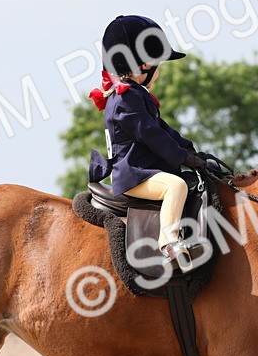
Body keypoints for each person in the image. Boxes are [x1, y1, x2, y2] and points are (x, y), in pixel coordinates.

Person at [87, 14, 219, 265]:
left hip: (142, 169)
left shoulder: (134, 95)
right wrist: (182, 158)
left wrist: (189, 150)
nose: (159, 71)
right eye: (158, 64)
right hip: (134, 173)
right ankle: (169, 243)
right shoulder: (125, 99)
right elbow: (151, 134)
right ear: (144, 65)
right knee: (176, 186)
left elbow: (162, 129)